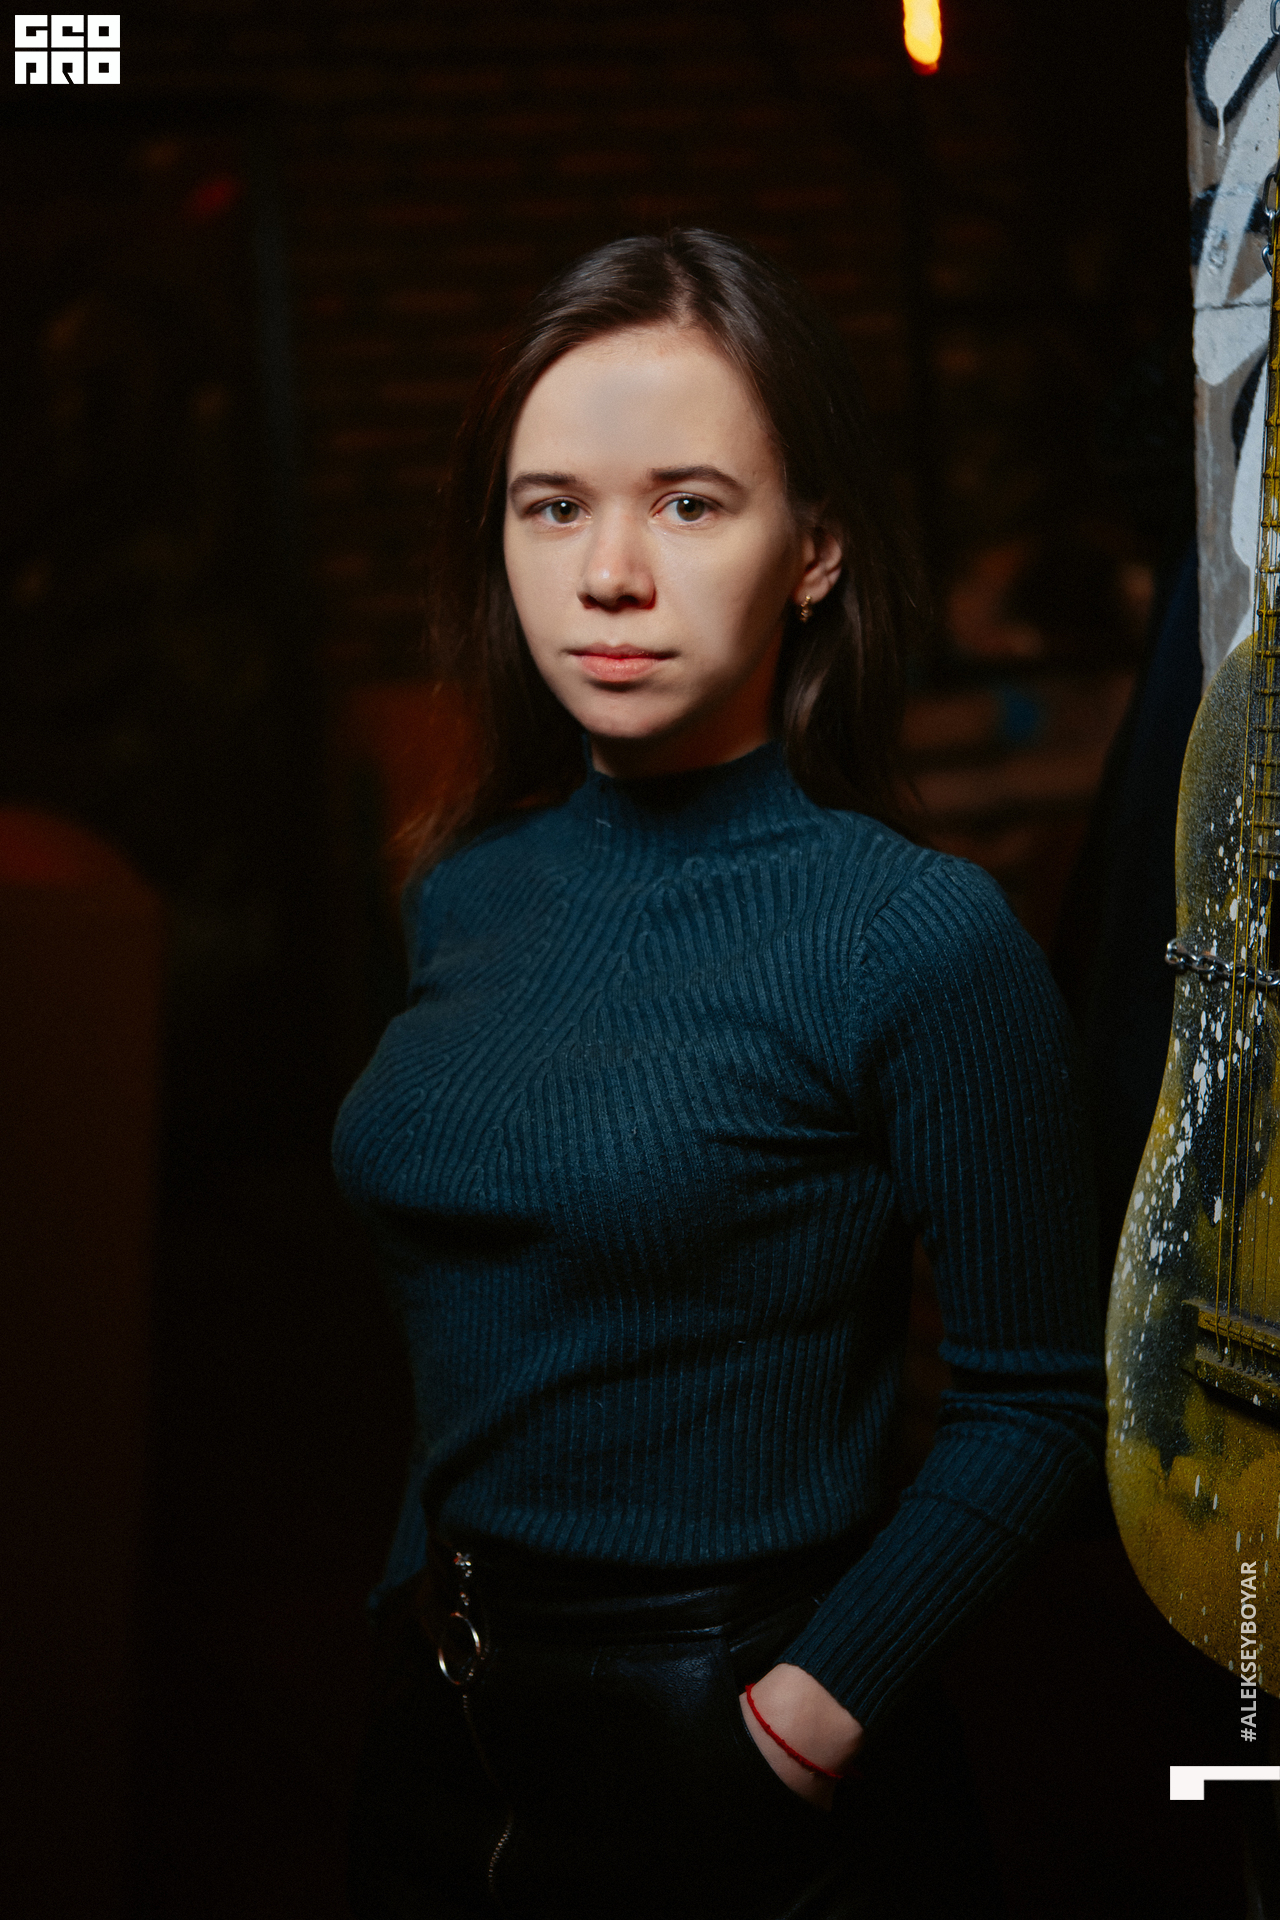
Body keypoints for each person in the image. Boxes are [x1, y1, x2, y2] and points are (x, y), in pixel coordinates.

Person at [333, 229, 1105, 1920]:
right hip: (439, 1726)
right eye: (553, 507)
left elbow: (1045, 1399)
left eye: (689, 503)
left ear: (813, 551)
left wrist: (803, 1725)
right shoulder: (463, 888)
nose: (610, 572)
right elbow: (480, 1312)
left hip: (737, 1744)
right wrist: (411, 1603)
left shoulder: (913, 936)